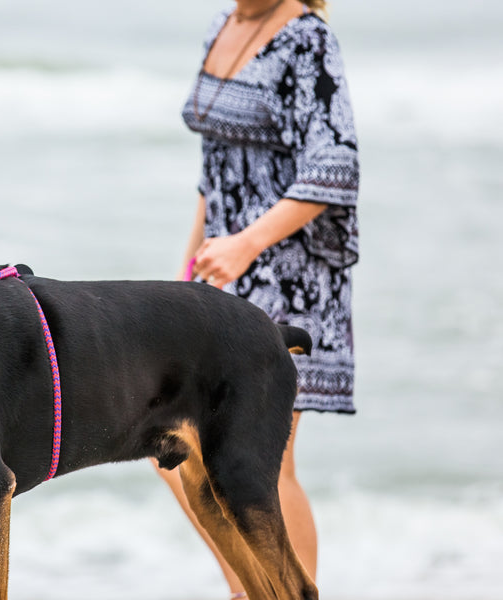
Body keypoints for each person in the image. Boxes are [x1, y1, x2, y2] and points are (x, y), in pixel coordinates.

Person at [152, 0, 359, 598]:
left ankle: (287, 590)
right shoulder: (227, 24)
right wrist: (189, 269)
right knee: (175, 446)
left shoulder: (307, 38)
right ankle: (253, 588)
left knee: (265, 463)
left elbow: (337, 164)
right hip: (223, 272)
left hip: (291, 275)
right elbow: (214, 168)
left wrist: (246, 244)